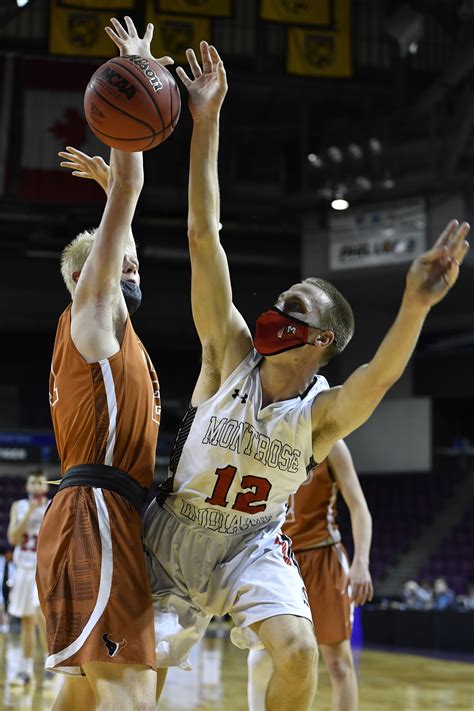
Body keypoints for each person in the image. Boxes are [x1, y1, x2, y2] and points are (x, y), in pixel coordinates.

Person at [140, 40, 469, 711]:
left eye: (295, 303)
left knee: (299, 652)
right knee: (129, 677)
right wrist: (207, 124)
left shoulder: (320, 416)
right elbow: (205, 237)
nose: (277, 305)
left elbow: (375, 378)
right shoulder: (229, 350)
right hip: (175, 532)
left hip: (253, 543)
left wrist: (415, 303)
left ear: (320, 338)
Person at [35, 17, 171, 711]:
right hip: (94, 512)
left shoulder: (109, 334)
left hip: (102, 512)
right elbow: (132, 193)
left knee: (83, 697)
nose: (134, 267)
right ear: (93, 275)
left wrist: (113, 199)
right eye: (125, 264)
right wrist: (140, 79)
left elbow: (121, 226)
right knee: (134, 698)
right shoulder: (92, 316)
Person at [247, 439, 373, 711]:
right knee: (259, 659)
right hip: (277, 557)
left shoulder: (332, 444)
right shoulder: (266, 436)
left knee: (338, 664)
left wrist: (361, 561)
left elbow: (359, 506)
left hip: (322, 557)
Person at [7, 470, 49, 685]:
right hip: (22, 568)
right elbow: (13, 538)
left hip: (43, 569)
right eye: (33, 483)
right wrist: (29, 513)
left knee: (39, 614)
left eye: (40, 483)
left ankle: (52, 663)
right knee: (27, 622)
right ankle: (25, 671)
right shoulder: (18, 506)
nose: (37, 487)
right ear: (27, 487)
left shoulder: (52, 506)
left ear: (46, 487)